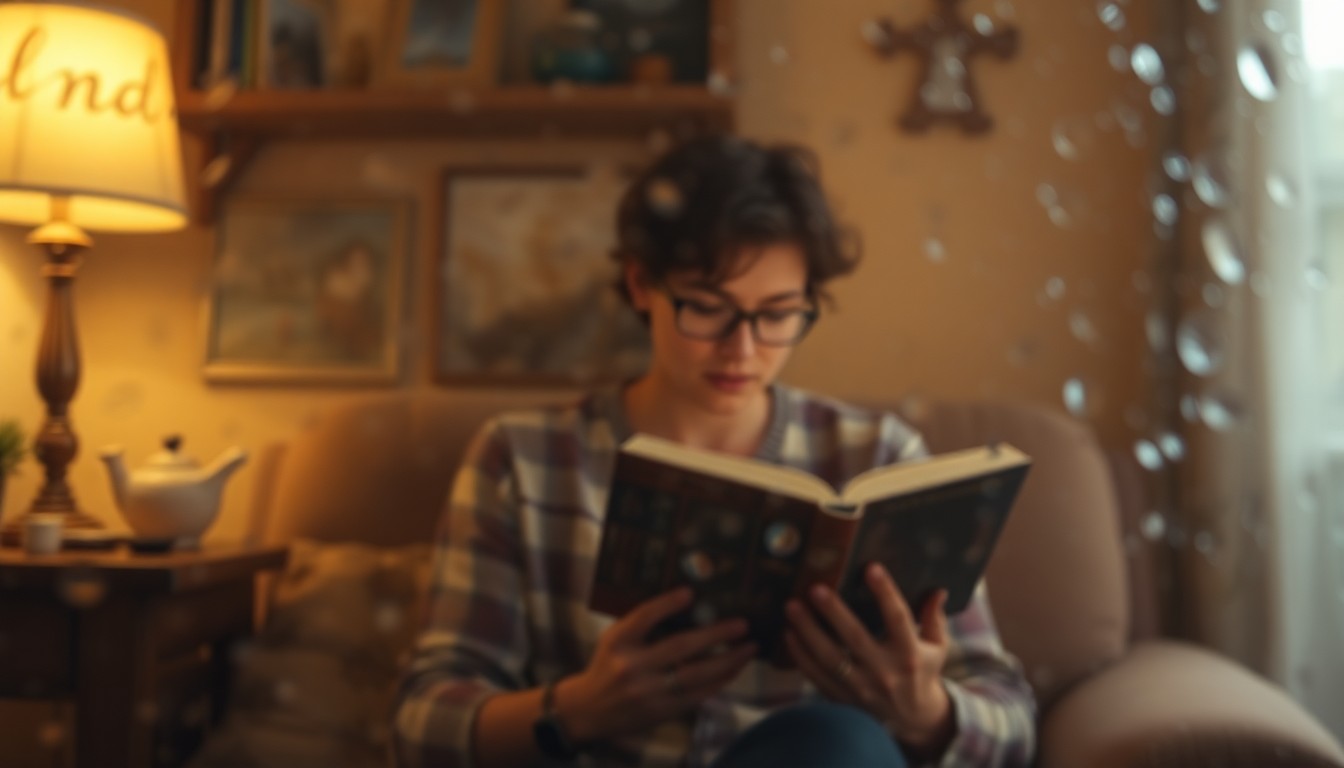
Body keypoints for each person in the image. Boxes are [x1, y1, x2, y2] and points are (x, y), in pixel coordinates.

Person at [391, 135, 1036, 768]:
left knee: (837, 742)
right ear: (640, 284)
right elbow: (420, 724)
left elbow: (1010, 718)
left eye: (778, 314)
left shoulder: (879, 455)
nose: (742, 350)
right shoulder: (524, 458)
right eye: (707, 308)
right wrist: (578, 709)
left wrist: (924, 712)